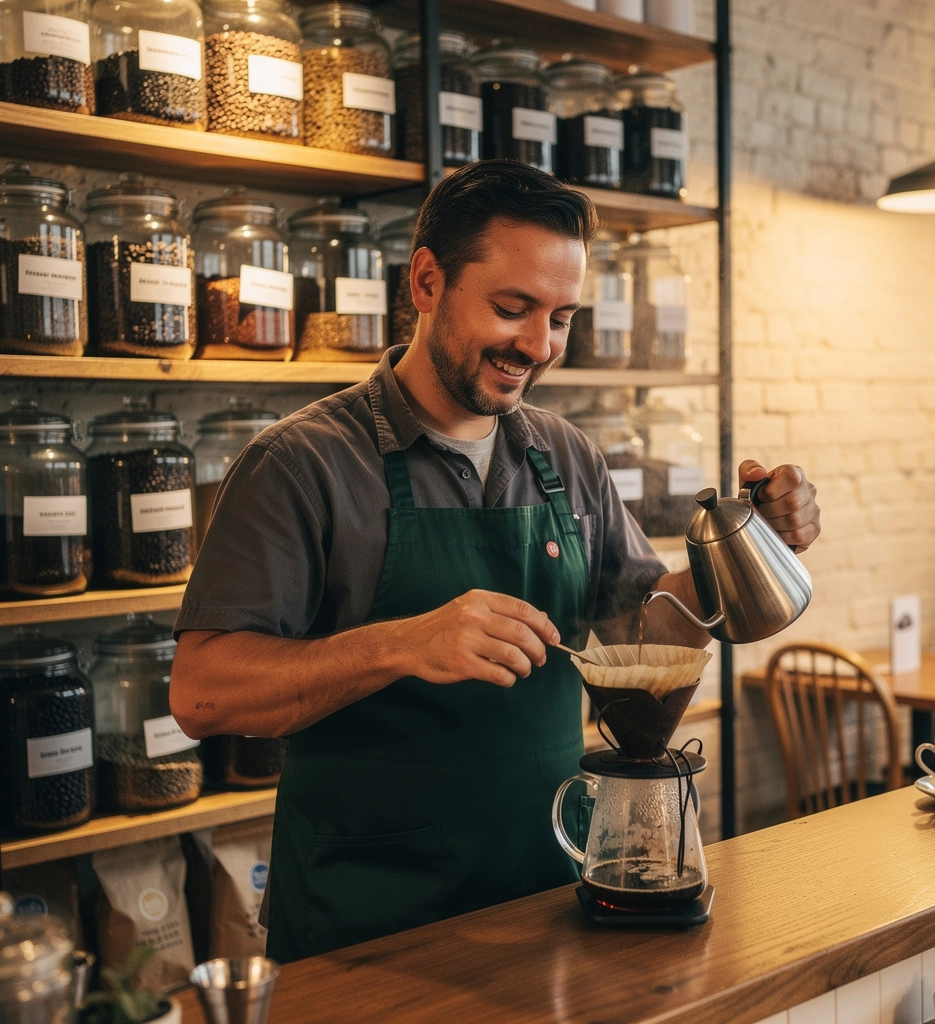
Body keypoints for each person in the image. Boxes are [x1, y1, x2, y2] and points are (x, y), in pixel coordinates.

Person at [170, 160, 820, 963]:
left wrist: (742, 550)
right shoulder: (302, 464)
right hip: (369, 926)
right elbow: (201, 695)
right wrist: (403, 643)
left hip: (548, 901)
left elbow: (640, 630)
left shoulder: (566, 455)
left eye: (560, 316)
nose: (538, 346)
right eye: (513, 309)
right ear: (427, 282)